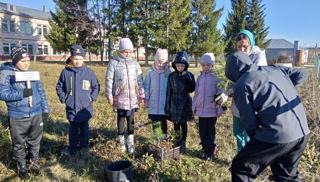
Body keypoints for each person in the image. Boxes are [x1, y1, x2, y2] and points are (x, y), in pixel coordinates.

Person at [225, 51, 310, 181]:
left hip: (277, 135)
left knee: (241, 167)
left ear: (231, 71)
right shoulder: (275, 69)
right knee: (287, 176)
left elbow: (249, 121)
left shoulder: (242, 84)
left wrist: (256, 140)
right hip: (302, 132)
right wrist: (283, 93)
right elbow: (302, 73)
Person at [0, 47, 50, 179]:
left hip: (36, 113)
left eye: (28, 60)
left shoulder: (32, 73)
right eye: (23, 61)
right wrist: (21, 94)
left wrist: (45, 109)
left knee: (35, 141)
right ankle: (21, 166)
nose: (26, 63)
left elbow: (41, 92)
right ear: (15, 60)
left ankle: (32, 163)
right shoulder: (6, 74)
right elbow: (2, 93)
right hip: (18, 115)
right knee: (19, 142)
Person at [56, 45, 100, 155]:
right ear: (71, 58)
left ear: (83, 59)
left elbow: (96, 86)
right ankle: (73, 148)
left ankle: (84, 147)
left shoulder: (89, 72)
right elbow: (59, 87)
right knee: (73, 130)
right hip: (71, 107)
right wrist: (65, 98)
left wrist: (91, 97)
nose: (78, 61)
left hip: (85, 107)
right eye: (75, 59)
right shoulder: (66, 72)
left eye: (80, 59)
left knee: (84, 129)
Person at [105, 38, 145, 154]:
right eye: (125, 52)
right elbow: (109, 80)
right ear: (120, 51)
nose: (127, 54)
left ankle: (130, 141)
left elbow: (140, 80)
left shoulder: (135, 64)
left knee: (131, 119)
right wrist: (110, 96)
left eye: (129, 52)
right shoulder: (114, 63)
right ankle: (121, 140)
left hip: (132, 97)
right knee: (121, 119)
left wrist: (141, 94)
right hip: (120, 97)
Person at [230, 30, 268, 153]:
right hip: (238, 100)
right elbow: (231, 77)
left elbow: (255, 78)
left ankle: (250, 158)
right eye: (239, 47)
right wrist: (227, 91)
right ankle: (240, 156)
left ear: (251, 44)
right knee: (238, 130)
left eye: (245, 46)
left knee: (250, 131)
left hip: (252, 101)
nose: (242, 50)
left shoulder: (259, 57)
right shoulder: (236, 57)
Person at [192, 53, 225, 160]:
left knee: (211, 133)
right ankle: (204, 150)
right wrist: (194, 106)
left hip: (212, 111)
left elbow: (221, 94)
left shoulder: (216, 78)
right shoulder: (200, 78)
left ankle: (210, 152)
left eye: (208, 65)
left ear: (212, 65)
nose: (206, 67)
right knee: (202, 132)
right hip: (201, 111)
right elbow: (197, 93)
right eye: (203, 65)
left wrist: (220, 109)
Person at [165, 51, 195, 154]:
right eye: (178, 65)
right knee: (176, 124)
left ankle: (183, 143)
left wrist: (186, 78)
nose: (180, 68)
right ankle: (176, 142)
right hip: (174, 103)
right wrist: (167, 106)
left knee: (183, 124)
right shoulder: (171, 76)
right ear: (175, 65)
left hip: (185, 104)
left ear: (185, 65)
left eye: (182, 66)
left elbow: (191, 89)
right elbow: (169, 91)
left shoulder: (189, 75)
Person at [144, 48, 171, 142]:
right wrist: (146, 99)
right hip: (153, 101)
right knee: (155, 121)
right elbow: (146, 85)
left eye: (163, 62)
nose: (161, 64)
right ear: (155, 60)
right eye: (159, 62)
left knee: (163, 120)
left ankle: (164, 138)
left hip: (164, 101)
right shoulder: (150, 72)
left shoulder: (169, 73)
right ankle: (156, 137)